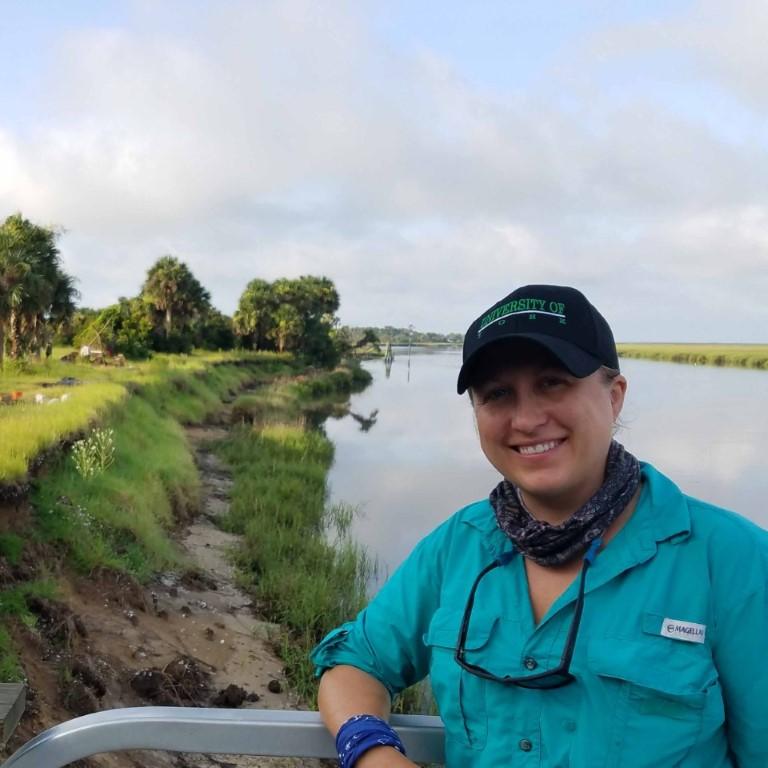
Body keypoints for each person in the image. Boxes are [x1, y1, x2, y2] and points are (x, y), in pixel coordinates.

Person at [311, 284, 768, 768]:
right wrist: (371, 751)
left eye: (553, 382)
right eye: (497, 394)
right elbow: (355, 663)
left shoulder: (734, 559)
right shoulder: (460, 545)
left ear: (614, 397)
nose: (526, 419)